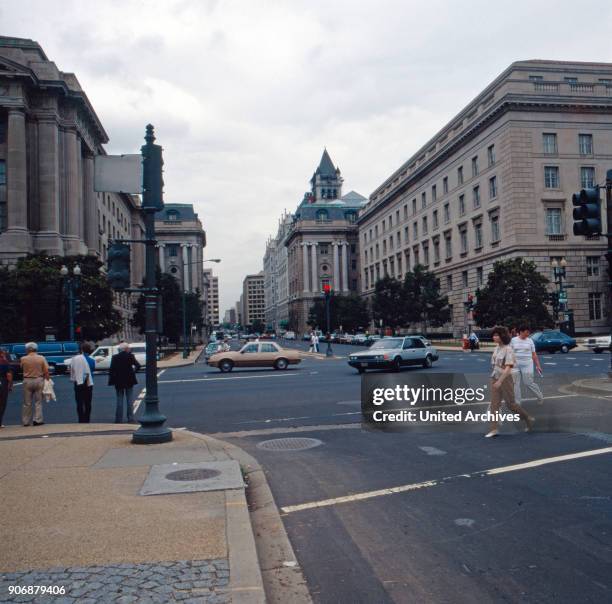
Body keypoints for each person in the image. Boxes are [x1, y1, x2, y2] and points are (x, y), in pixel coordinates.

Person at [486, 326, 533, 438]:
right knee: (494, 404)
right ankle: (494, 429)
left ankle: (528, 418)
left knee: (511, 404)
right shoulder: (496, 348)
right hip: (495, 377)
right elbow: (494, 364)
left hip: (505, 379)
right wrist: (495, 379)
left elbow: (508, 368)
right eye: (494, 335)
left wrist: (500, 381)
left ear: (502, 336)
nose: (494, 337)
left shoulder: (508, 349)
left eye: (496, 335)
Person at [511, 325, 544, 405]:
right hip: (515, 366)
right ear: (521, 332)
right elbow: (509, 353)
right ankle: (517, 403)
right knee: (515, 384)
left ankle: (540, 396)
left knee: (528, 382)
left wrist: (538, 366)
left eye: (529, 332)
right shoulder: (513, 340)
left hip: (527, 364)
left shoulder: (530, 341)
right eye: (527, 332)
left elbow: (534, 355)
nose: (528, 334)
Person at [108, 342, 141, 423]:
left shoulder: (115, 357)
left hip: (118, 381)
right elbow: (138, 365)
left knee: (119, 400)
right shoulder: (130, 356)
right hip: (129, 380)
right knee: (129, 399)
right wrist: (133, 372)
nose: (129, 349)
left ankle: (118, 419)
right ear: (126, 349)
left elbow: (111, 370)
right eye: (128, 348)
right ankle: (130, 418)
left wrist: (112, 380)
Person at [20, 342, 50, 426]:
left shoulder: (23, 358)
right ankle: (37, 420)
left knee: (27, 402)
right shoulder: (41, 358)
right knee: (38, 402)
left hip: (27, 380)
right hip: (39, 380)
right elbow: (46, 371)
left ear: (27, 349)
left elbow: (21, 367)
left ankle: (26, 421)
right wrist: (48, 380)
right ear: (36, 349)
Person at [70, 342, 95, 423]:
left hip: (78, 382)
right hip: (88, 381)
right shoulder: (91, 360)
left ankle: (81, 419)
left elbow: (72, 369)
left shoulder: (76, 359)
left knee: (79, 401)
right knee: (88, 402)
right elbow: (92, 369)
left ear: (81, 350)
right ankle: (87, 418)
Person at [0, 348, 14, 428]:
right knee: (2, 403)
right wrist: (10, 385)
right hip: (2, 382)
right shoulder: (4, 362)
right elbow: (9, 375)